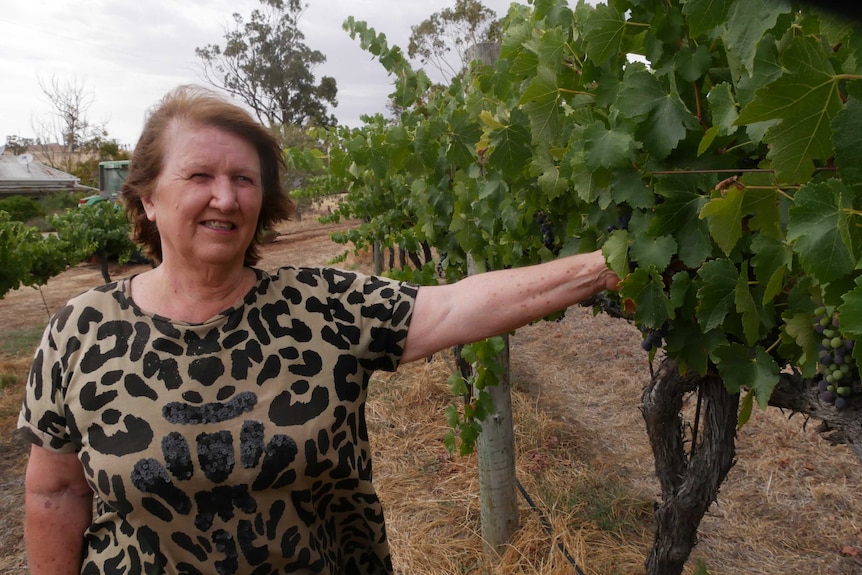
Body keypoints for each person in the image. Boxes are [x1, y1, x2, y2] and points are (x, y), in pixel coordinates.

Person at [18, 85, 620, 575]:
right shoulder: (80, 331)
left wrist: (608, 264)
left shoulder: (323, 306)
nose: (225, 198)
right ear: (147, 197)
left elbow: (458, 305)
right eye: (199, 175)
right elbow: (56, 494)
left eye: (244, 179)